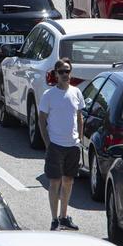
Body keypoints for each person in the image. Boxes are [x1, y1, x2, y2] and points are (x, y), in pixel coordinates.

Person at [37, 57, 86, 231]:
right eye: (61, 72)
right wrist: (47, 143)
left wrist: (79, 140)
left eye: (67, 71)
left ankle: (64, 217)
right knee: (55, 182)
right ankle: (54, 219)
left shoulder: (76, 93)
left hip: (72, 145)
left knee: (68, 181)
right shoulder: (48, 95)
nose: (65, 74)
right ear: (55, 74)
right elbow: (42, 119)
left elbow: (79, 118)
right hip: (55, 145)